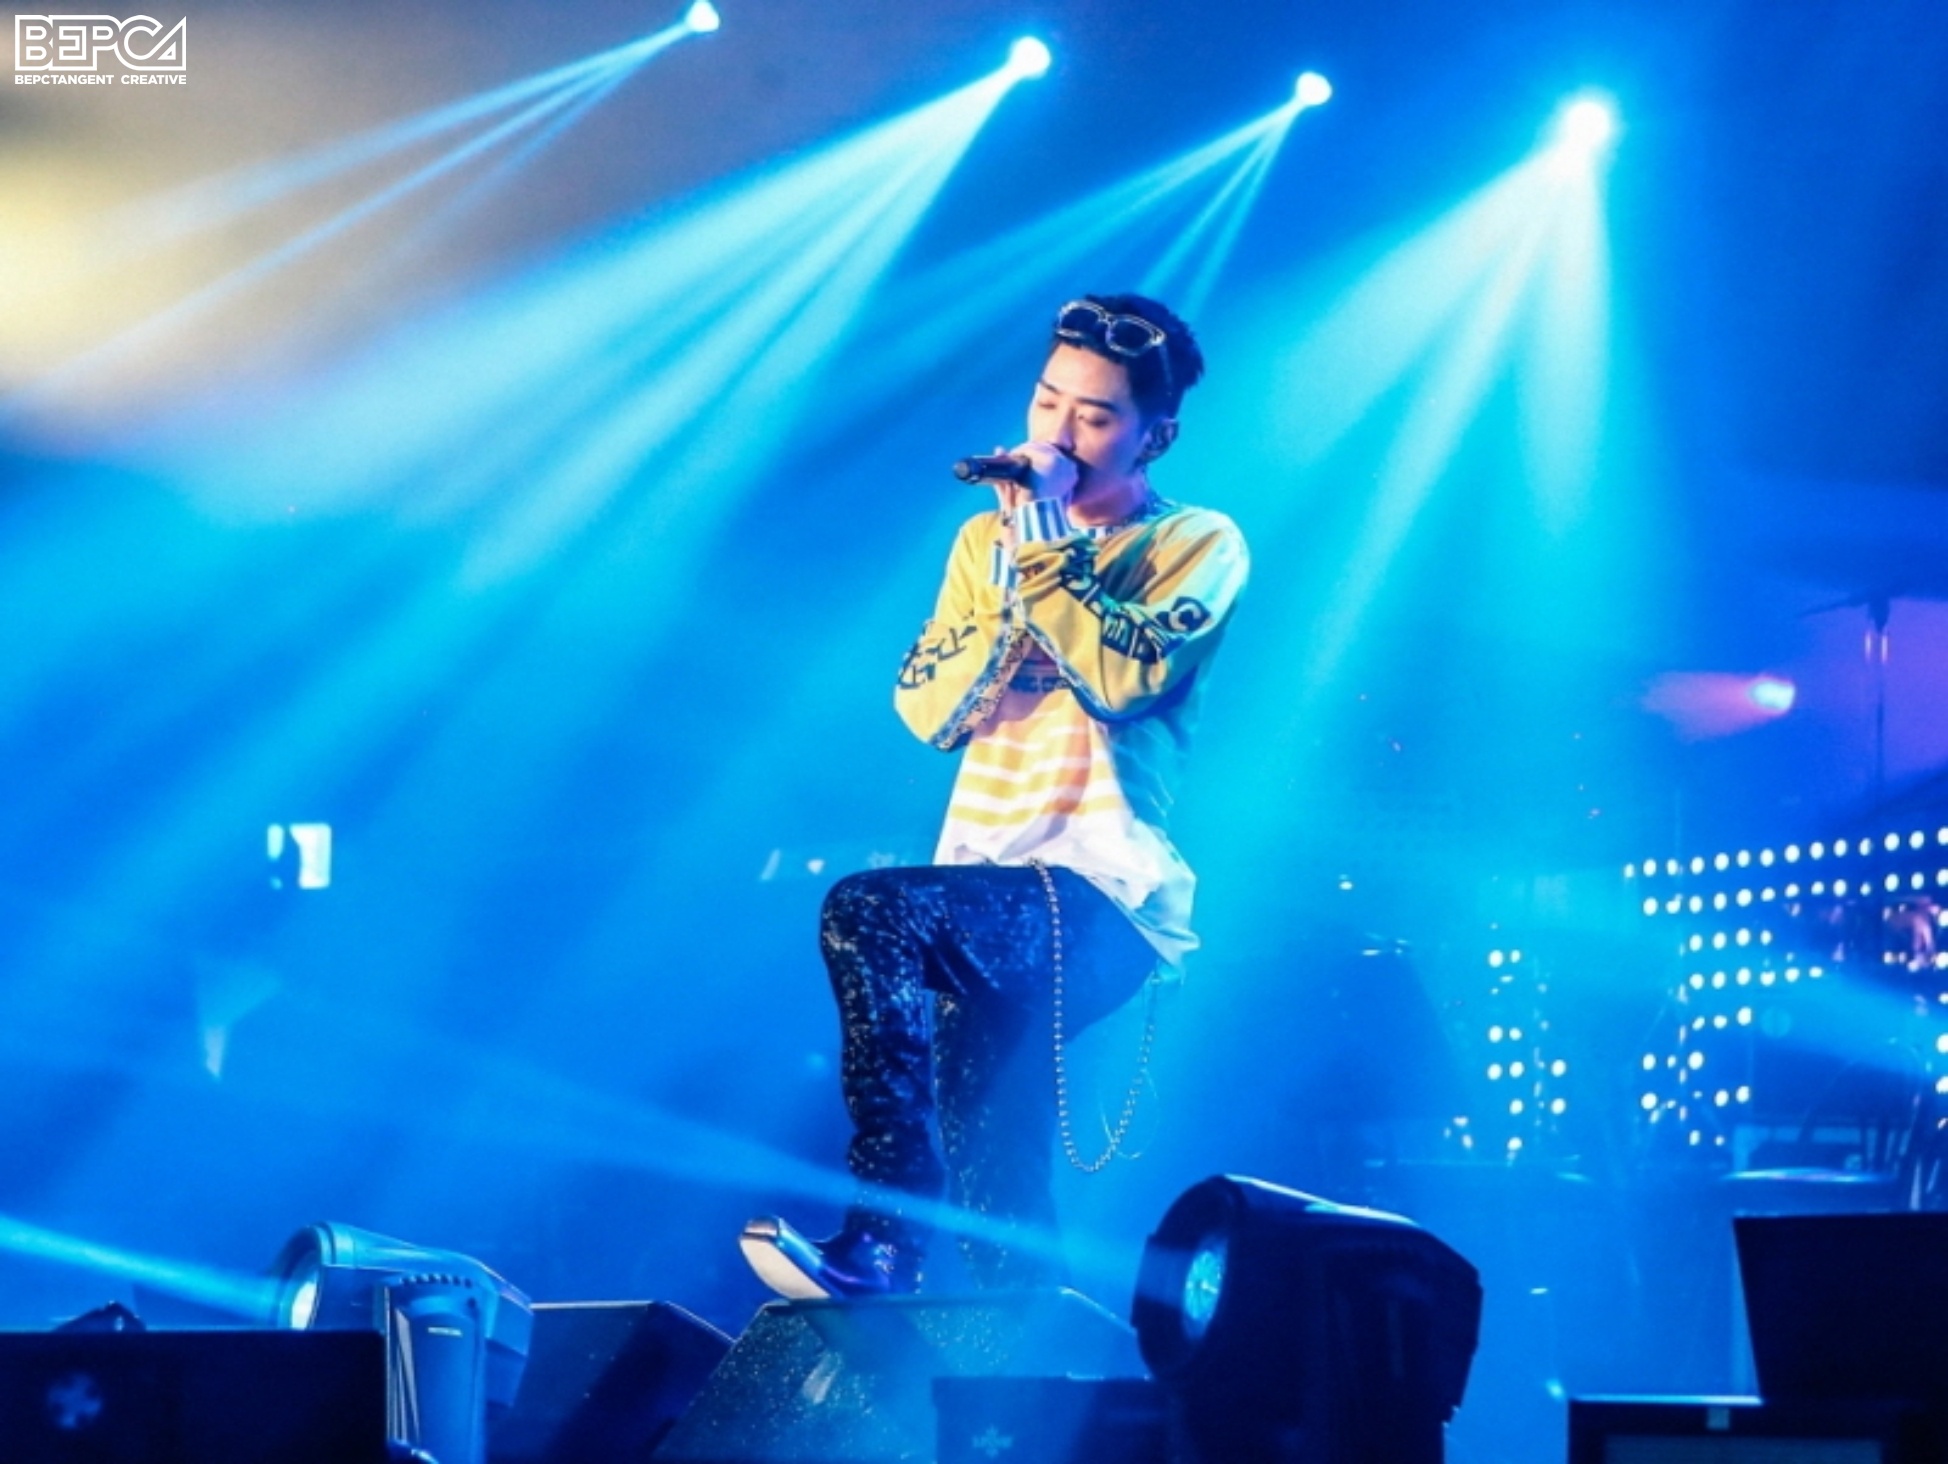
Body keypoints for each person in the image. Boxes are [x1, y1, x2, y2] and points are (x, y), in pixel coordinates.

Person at [741, 293, 1249, 1297]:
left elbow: (1123, 682)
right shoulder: (986, 544)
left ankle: (885, 1228)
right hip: (987, 884)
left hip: (1101, 895)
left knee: (867, 910)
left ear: (1155, 436)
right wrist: (1018, 562)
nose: (1058, 432)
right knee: (995, 1167)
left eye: (1094, 416)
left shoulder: (1197, 542)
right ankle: (1021, 1342)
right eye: (1048, 400)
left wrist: (1051, 543)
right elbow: (928, 711)